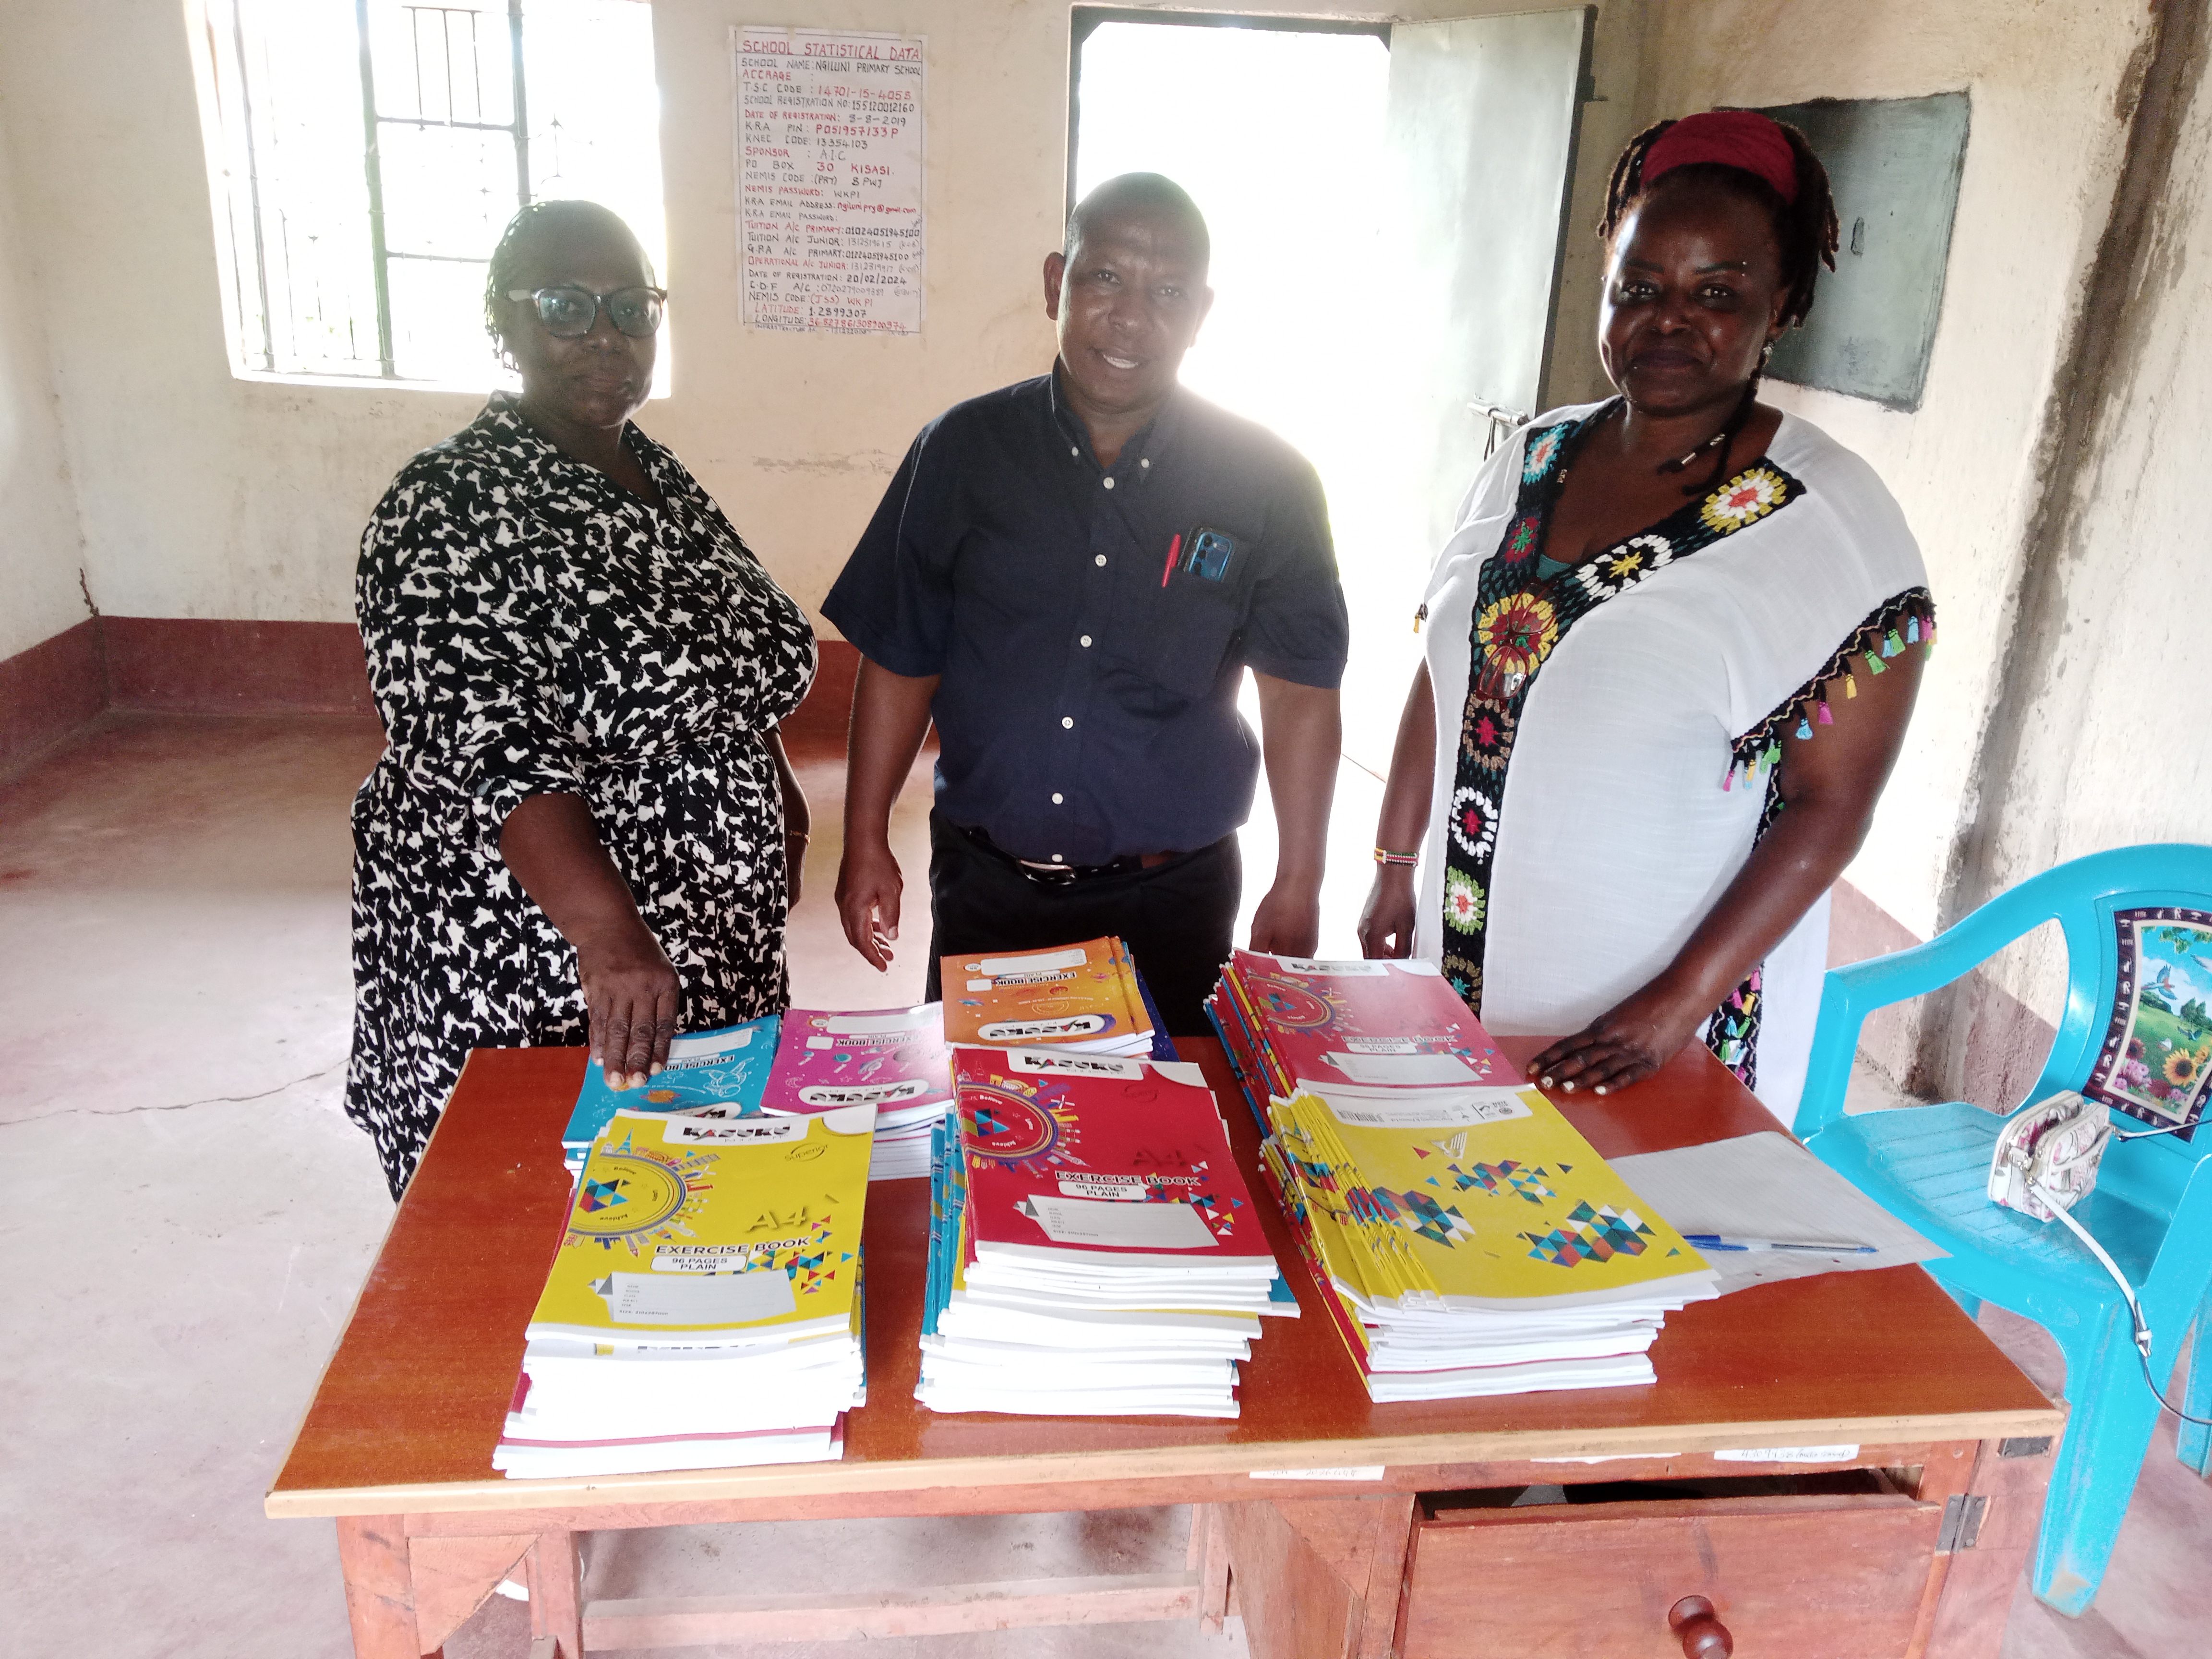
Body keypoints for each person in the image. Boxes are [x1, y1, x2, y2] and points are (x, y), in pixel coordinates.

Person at [1356, 111, 1932, 1123]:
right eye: (1640, 289)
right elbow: (1454, 673)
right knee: (1456, 1222)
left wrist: (1675, 1008)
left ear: (1784, 301)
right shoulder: (1531, 457)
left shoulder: (1830, 521)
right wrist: (1397, 862)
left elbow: (1831, 804)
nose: (1670, 320)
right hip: (1460, 965)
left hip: (1650, 1016)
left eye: (1717, 293)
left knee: (1626, 1257)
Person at [346, 200, 817, 1197]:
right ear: (498, 322)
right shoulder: (446, 504)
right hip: (548, 950)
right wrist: (609, 939)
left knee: (697, 1191)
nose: (605, 335)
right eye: (565, 306)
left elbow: (728, 663)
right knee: (552, 1202)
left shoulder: (651, 475)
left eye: (631, 307)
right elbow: (489, 745)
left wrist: (777, 788)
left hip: (703, 933)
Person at [823, 173, 1348, 1034]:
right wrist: (865, 836)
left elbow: (1299, 694)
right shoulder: (961, 450)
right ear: (1054, 282)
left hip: (1170, 900)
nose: (1131, 316)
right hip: (987, 890)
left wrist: (1300, 880)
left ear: (1201, 313)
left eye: (1167, 291)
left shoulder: (1268, 482)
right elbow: (900, 658)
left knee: (1161, 1145)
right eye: (1105, 278)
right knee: (983, 1128)